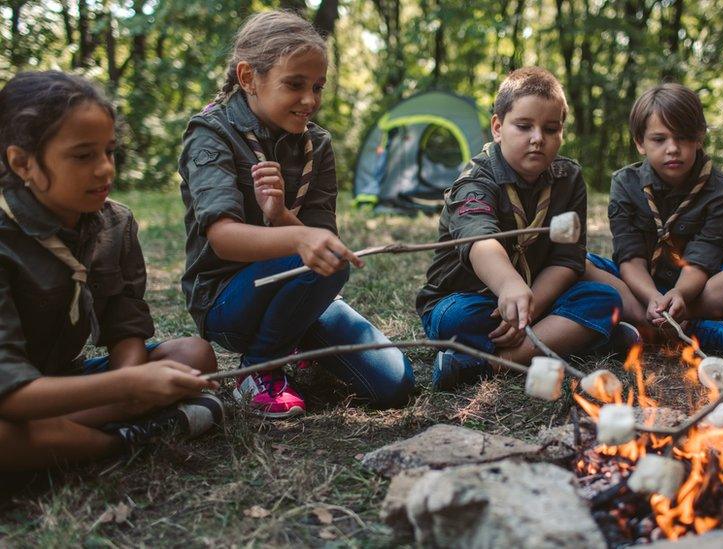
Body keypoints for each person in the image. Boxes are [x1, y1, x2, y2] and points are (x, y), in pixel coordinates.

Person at [180, 11, 413, 417]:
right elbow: (223, 237)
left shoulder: (316, 145)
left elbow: (319, 238)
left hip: (297, 290)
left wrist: (284, 217)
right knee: (328, 262)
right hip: (226, 301)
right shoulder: (212, 133)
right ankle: (259, 367)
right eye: (295, 84)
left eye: (317, 87)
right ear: (249, 77)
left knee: (394, 384)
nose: (310, 100)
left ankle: (291, 336)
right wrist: (298, 239)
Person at [0, 71, 222, 472]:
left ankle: (57, 439)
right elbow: (9, 393)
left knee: (193, 354)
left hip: (65, 385)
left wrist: (132, 381)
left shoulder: (114, 222)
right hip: (14, 397)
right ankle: (122, 441)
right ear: (23, 163)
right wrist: (129, 389)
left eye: (109, 151)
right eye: (83, 155)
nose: (105, 170)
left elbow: (125, 323)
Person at [416, 67, 636, 391]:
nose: (538, 139)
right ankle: (577, 338)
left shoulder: (568, 179)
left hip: (538, 299)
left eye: (551, 129)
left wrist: (529, 308)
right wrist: (508, 285)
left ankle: (484, 365)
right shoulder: (475, 180)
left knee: (605, 297)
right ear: (497, 127)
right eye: (524, 126)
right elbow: (480, 240)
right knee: (456, 318)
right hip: (473, 299)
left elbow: (567, 259)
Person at [584, 83, 723, 357]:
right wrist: (653, 298)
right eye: (659, 139)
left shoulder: (722, 191)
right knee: (577, 262)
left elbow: (700, 262)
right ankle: (706, 332)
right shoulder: (625, 183)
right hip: (644, 289)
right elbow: (630, 257)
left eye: (682, 137)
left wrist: (680, 294)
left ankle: (652, 328)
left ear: (699, 137)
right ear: (640, 143)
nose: (672, 148)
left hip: (703, 288)